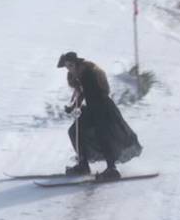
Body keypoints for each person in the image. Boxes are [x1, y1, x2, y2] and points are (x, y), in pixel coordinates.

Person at [57, 51, 142, 180]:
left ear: (76, 63)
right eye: (67, 67)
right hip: (93, 109)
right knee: (74, 131)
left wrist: (80, 106)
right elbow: (82, 94)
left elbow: (95, 93)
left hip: (103, 109)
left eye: (70, 65)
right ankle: (83, 164)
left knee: (104, 136)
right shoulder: (78, 74)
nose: (69, 69)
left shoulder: (89, 72)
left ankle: (112, 169)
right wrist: (73, 106)